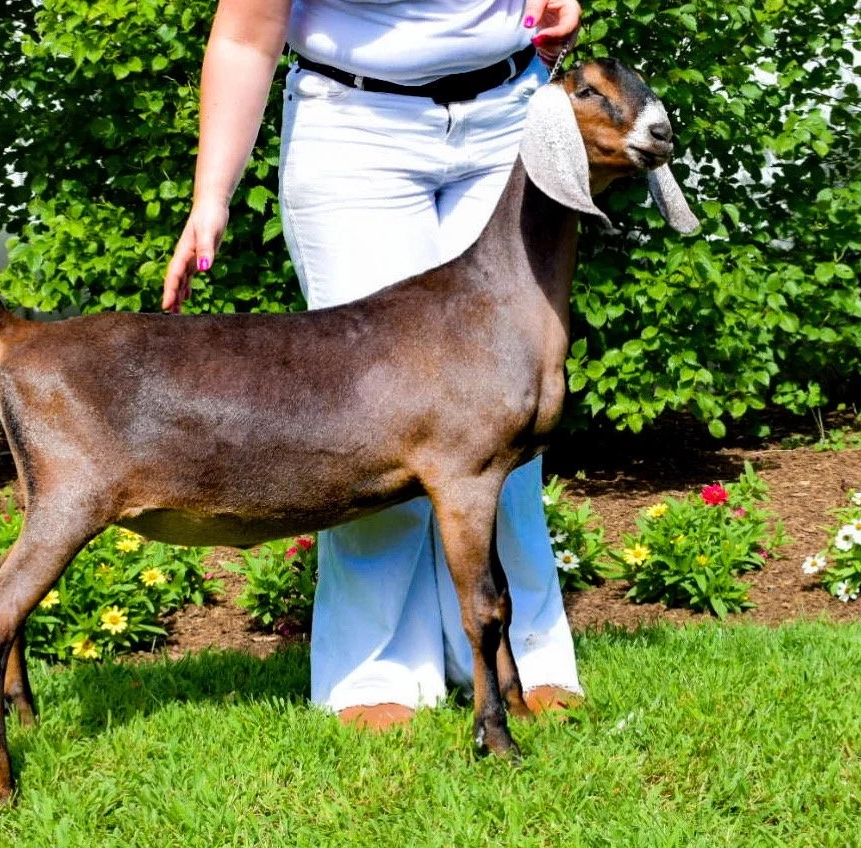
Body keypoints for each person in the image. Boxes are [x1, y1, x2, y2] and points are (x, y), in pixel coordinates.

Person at [163, 0, 585, 728]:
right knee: (368, 424)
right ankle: (373, 671)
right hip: (356, 131)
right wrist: (210, 197)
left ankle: (525, 656)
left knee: (507, 429)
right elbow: (242, 35)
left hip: (509, 117)